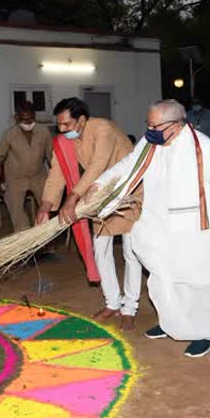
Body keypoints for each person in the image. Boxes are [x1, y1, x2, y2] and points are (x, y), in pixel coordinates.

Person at [86, 99, 210, 358]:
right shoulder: (150, 143)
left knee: (198, 282)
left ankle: (204, 333)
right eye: (148, 123)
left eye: (154, 125)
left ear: (176, 125)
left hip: (196, 230)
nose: (149, 129)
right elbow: (127, 166)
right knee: (161, 277)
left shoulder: (207, 149)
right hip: (157, 224)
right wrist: (100, 184)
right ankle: (171, 324)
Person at [36, 97, 142, 330]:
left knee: (131, 251)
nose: (62, 130)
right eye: (59, 125)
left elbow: (98, 163)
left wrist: (73, 197)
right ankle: (113, 302)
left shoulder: (102, 128)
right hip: (98, 194)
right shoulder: (66, 141)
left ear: (82, 120)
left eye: (66, 125)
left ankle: (129, 307)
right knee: (100, 249)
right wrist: (46, 206)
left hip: (128, 193)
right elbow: (57, 173)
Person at [0, 103, 53, 231]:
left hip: (38, 176)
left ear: (34, 116)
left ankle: (46, 245)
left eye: (30, 119)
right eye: (24, 119)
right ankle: (26, 246)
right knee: (18, 216)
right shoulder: (9, 135)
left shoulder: (43, 131)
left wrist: (61, 179)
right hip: (15, 179)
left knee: (47, 211)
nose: (28, 122)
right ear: (17, 118)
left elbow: (51, 157)